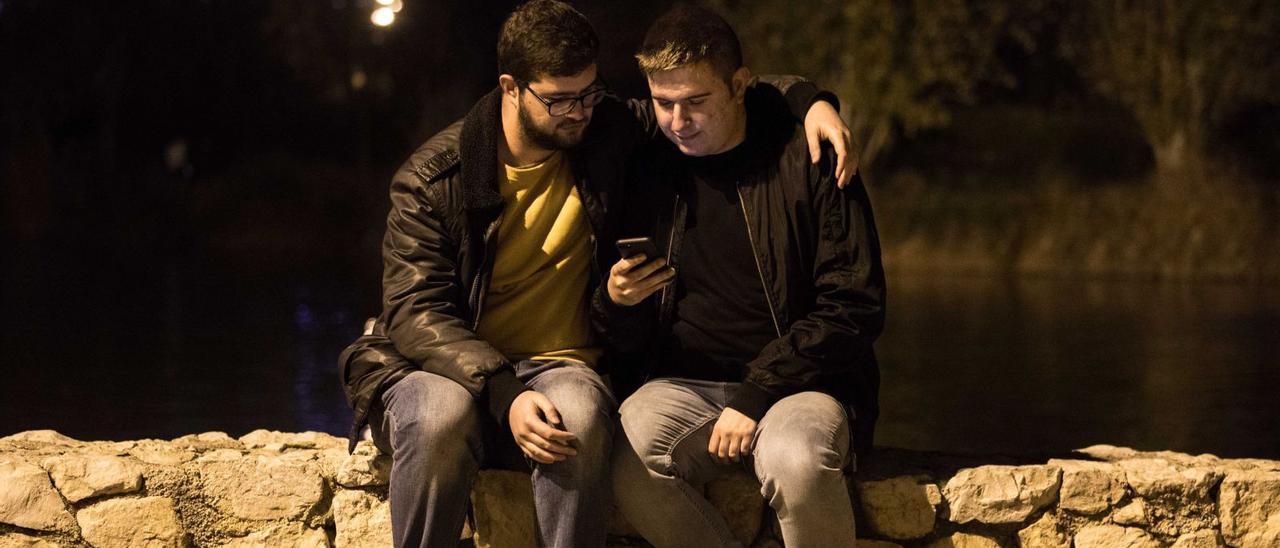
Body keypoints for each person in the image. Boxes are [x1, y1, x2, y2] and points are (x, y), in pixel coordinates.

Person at [335, 1, 857, 546]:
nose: (579, 111)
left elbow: (711, 86)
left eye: (588, 92)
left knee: (579, 420)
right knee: (439, 416)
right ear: (512, 88)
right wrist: (502, 391)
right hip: (450, 366)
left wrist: (811, 101)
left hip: (562, 364)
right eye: (560, 100)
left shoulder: (602, 131)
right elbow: (416, 312)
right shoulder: (433, 178)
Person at [598, 5, 886, 547]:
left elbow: (855, 303)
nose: (678, 122)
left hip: (803, 385)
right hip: (683, 382)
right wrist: (617, 300)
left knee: (797, 460)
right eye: (664, 103)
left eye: (696, 103)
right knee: (626, 454)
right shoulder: (646, 162)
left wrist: (756, 395)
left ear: (738, 86)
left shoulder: (810, 156)